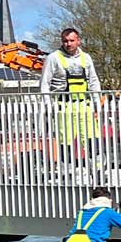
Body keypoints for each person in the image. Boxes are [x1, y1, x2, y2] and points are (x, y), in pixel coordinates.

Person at [41, 25, 102, 163]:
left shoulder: (86, 58)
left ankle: (98, 169)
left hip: (84, 105)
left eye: (71, 40)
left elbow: (94, 80)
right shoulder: (53, 58)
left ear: (78, 41)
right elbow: (45, 83)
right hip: (63, 105)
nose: (68, 44)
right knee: (66, 140)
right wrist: (48, 105)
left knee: (92, 137)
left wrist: (97, 102)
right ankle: (67, 171)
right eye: (65, 41)